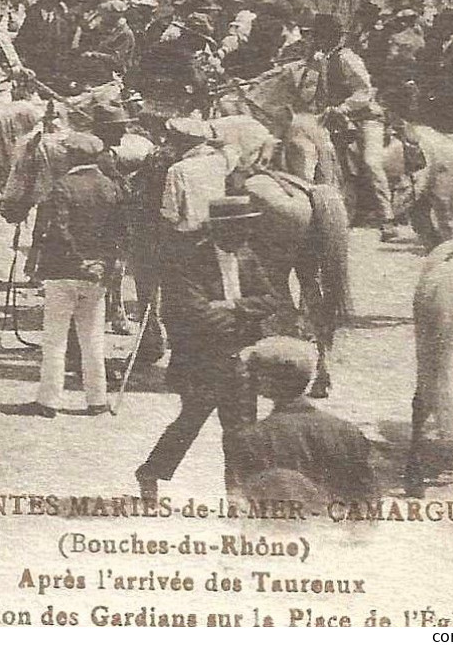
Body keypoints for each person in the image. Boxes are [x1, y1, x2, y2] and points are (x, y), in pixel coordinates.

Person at [135, 196, 294, 502]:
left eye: (247, 228)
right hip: (201, 361)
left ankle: (236, 494)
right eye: (239, 228)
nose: (245, 235)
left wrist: (232, 305)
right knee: (189, 423)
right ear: (220, 230)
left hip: (243, 360)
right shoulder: (187, 261)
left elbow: (271, 301)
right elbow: (194, 313)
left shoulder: (247, 257)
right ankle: (150, 472)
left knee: (241, 431)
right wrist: (240, 319)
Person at [32, 132, 124, 417]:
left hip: (64, 272)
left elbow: (58, 231)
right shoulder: (111, 188)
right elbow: (119, 232)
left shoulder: (61, 187)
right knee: (93, 339)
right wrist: (102, 263)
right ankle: (97, 400)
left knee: (55, 340)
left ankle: (49, 401)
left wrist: (80, 261)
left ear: (71, 156)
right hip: (98, 275)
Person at [229, 337, 379, 508]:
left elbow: (246, 507)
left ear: (265, 384)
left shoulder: (252, 439)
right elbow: (368, 501)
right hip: (336, 529)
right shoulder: (348, 432)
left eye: (254, 376)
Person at [308, 13, 395, 238]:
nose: (318, 40)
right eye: (316, 36)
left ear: (332, 37)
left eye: (321, 36)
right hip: (337, 119)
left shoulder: (348, 58)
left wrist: (343, 108)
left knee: (370, 161)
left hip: (366, 117)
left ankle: (387, 218)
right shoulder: (322, 59)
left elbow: (364, 91)